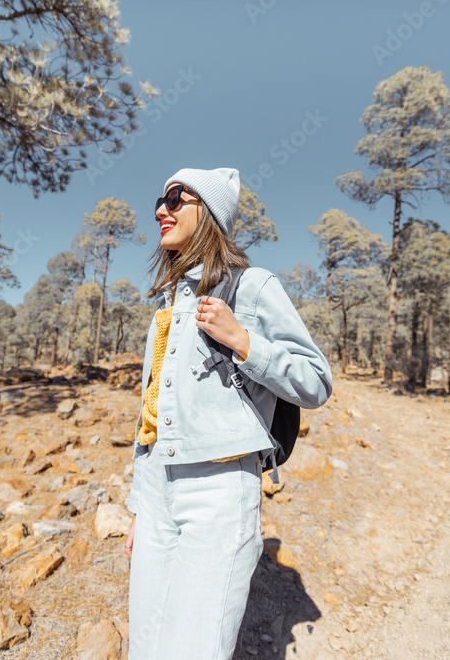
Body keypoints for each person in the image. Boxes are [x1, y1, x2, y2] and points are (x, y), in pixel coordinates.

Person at [123, 167, 333, 659]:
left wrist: (243, 341)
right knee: (146, 648)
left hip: (219, 494)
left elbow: (316, 381)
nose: (161, 208)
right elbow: (150, 414)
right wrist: (139, 505)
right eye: (161, 198)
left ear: (211, 212)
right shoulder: (169, 304)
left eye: (177, 198)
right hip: (156, 493)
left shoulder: (253, 286)